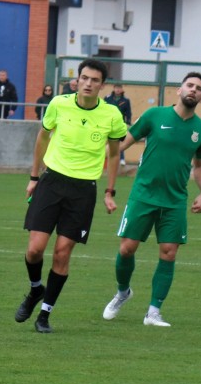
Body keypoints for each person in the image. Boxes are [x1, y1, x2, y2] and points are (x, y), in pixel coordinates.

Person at [16, 59, 127, 334]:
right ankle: (34, 290)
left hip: (83, 190)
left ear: (102, 85)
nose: (89, 83)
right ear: (77, 80)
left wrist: (109, 191)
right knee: (35, 250)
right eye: (85, 78)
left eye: (95, 80)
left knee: (62, 253)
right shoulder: (59, 104)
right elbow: (42, 138)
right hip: (51, 182)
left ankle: (44, 315)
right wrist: (33, 178)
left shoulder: (112, 114)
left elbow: (114, 154)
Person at [102, 73, 201, 328]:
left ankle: (153, 312)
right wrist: (97, 161)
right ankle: (122, 292)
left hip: (174, 201)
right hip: (143, 195)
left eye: (199, 88)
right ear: (178, 90)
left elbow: (200, 164)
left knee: (169, 253)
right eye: (190, 85)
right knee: (127, 248)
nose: (193, 90)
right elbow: (122, 144)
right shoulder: (154, 115)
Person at [105, 83, 133, 164]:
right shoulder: (107, 99)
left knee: (119, 140)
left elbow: (128, 113)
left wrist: (128, 122)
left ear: (122, 90)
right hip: (108, 122)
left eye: (119, 88)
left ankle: (121, 159)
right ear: (113, 89)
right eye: (116, 88)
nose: (117, 89)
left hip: (119, 123)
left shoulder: (126, 100)